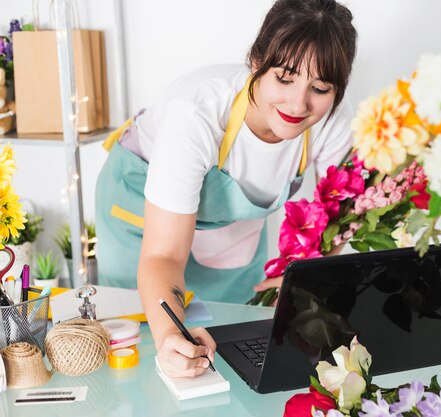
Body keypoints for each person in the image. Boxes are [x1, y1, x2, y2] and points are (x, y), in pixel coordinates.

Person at [94, 0, 357, 377]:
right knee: (147, 345)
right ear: (256, 62)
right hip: (141, 214)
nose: (298, 104)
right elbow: (164, 255)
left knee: (232, 338)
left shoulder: (332, 118)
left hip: (229, 224)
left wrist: (309, 275)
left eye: (319, 87)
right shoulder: (197, 112)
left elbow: (340, 215)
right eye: (284, 78)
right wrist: (171, 336)